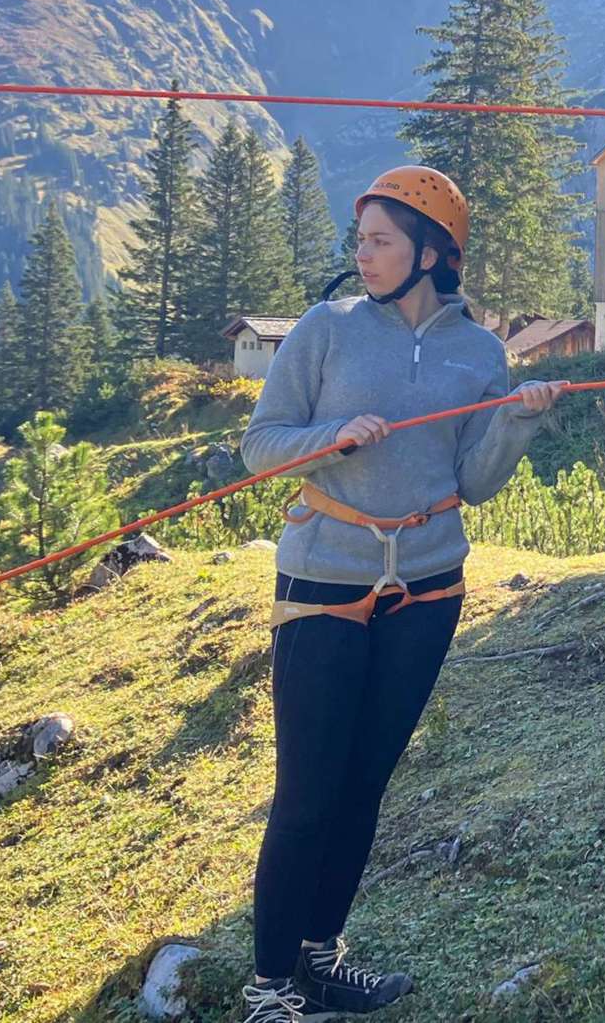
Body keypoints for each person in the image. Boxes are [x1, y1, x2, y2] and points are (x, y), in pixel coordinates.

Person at [236, 166, 567, 1022]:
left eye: (380, 240)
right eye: (361, 240)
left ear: (432, 251)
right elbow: (260, 445)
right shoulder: (327, 328)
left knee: (365, 781)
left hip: (428, 584)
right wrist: (332, 438)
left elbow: (473, 479)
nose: (364, 255)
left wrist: (518, 420)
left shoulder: (481, 353)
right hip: (325, 577)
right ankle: (269, 988)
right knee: (308, 788)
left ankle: (319, 957)